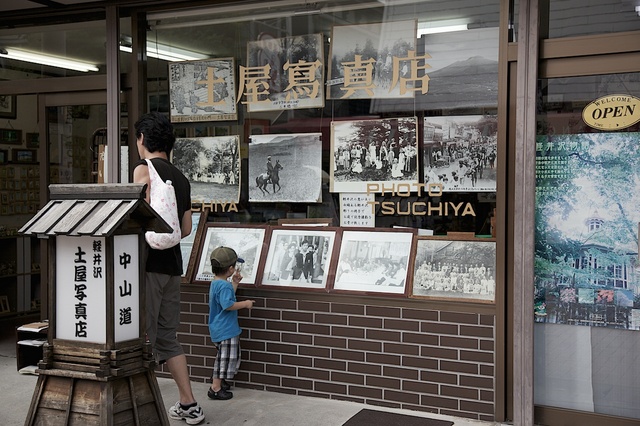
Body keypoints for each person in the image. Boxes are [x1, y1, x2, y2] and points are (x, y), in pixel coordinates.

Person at [132, 112, 204, 425]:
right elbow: (185, 228)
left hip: (145, 265)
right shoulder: (182, 178)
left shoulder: (142, 170)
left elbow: (132, 218)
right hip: (172, 266)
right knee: (168, 337)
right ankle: (188, 403)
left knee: (139, 337)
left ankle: (139, 409)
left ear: (142, 140)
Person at [207, 247, 255, 401]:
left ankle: (221, 382)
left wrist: (234, 283)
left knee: (225, 357)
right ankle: (215, 388)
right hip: (226, 329)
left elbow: (226, 299)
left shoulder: (216, 283)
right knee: (225, 359)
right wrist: (245, 303)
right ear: (230, 269)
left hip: (218, 328)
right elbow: (227, 305)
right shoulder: (224, 286)